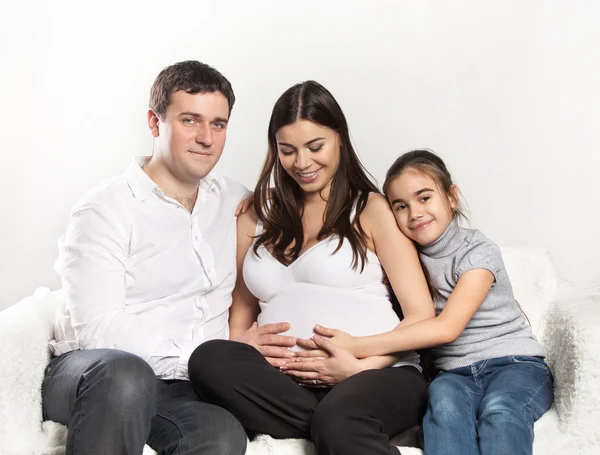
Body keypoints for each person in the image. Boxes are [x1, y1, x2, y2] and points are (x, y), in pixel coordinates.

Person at [188, 81, 436, 455]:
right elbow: (240, 315)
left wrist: (361, 366)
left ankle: (338, 421)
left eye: (315, 147)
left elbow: (420, 315)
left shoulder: (371, 209)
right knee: (209, 359)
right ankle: (331, 422)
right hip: (287, 385)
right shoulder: (255, 214)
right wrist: (244, 345)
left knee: (341, 419)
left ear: (340, 138)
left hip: (380, 374)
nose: (302, 163)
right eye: (288, 151)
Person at [42, 60, 275, 455]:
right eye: (190, 120)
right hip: (93, 372)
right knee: (125, 376)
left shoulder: (236, 201)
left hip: (180, 388)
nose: (206, 137)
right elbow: (99, 330)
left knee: (220, 434)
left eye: (218, 124)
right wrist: (206, 357)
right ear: (155, 123)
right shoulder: (105, 208)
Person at [295, 149, 554, 455]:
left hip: (514, 366)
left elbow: (447, 328)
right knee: (443, 411)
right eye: (400, 206)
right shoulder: (403, 259)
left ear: (451, 197)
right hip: (454, 375)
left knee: (501, 411)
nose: (415, 213)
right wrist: (259, 200)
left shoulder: (478, 251)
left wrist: (356, 346)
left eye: (424, 198)